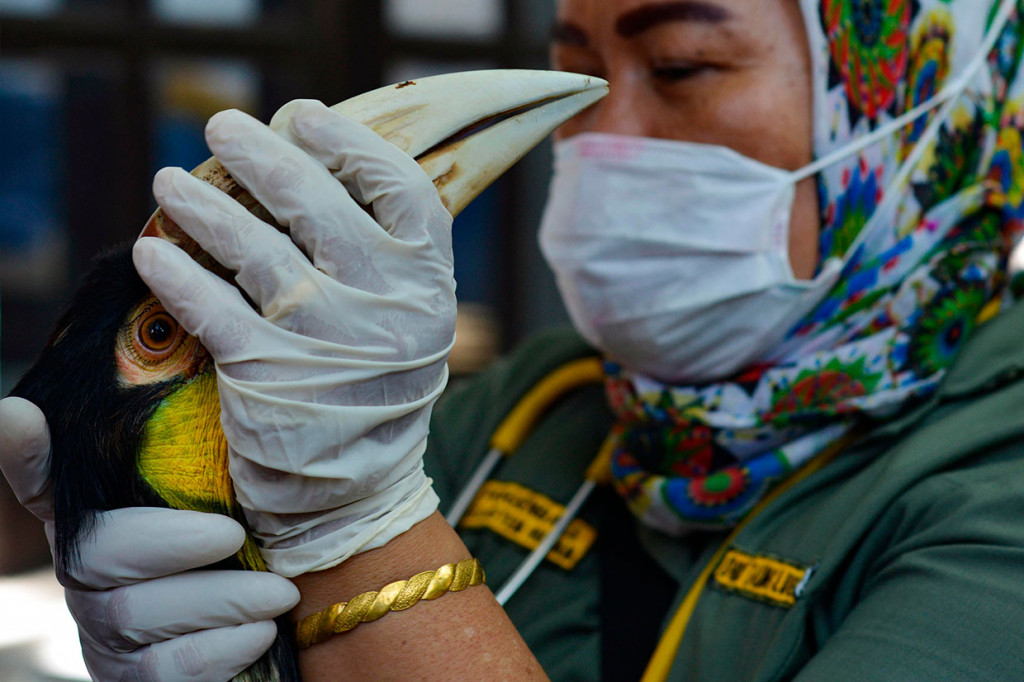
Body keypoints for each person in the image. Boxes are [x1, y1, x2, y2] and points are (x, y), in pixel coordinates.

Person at [3, 0, 1024, 679]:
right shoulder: (533, 410)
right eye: (574, 68)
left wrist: (360, 531)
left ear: (920, 113)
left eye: (680, 67)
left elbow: (342, 517)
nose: (600, 130)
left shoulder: (996, 480)